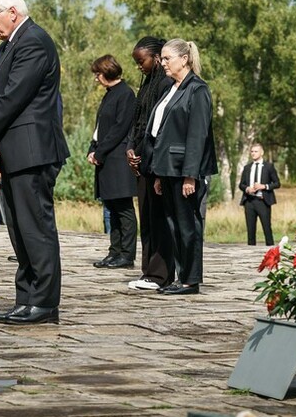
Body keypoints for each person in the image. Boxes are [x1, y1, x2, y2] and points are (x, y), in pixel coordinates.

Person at [0, 0, 70, 325]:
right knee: (18, 229)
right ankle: (26, 298)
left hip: (34, 149)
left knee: (36, 228)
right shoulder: (9, 45)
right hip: (15, 149)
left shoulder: (33, 40)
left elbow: (14, 97)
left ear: (11, 12)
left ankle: (44, 303)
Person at [144, 39, 217, 296]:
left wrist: (190, 175)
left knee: (188, 226)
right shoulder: (171, 89)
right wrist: (157, 173)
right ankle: (179, 276)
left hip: (184, 169)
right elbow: (160, 130)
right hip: (166, 168)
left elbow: (197, 136)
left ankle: (190, 280)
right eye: (162, 59)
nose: (162, 63)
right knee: (173, 225)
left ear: (183, 59)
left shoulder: (197, 90)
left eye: (167, 58)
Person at [125, 36, 175, 291]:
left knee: (159, 219)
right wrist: (131, 149)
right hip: (142, 160)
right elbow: (138, 124)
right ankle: (148, 272)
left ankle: (161, 274)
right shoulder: (146, 86)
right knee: (146, 218)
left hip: (157, 161)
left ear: (156, 58)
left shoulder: (166, 84)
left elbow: (161, 128)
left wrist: (147, 153)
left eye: (141, 61)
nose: (138, 66)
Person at [87, 54, 138, 269]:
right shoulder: (109, 95)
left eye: (98, 74)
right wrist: (93, 148)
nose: (96, 78)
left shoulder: (125, 94)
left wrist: (100, 153)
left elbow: (119, 128)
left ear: (107, 72)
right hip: (107, 159)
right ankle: (114, 251)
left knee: (123, 209)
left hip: (117, 160)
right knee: (112, 208)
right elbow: (101, 127)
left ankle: (126, 254)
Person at [238, 143, 281, 247]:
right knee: (250, 229)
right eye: (252, 151)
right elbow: (241, 184)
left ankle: (270, 251)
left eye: (256, 151)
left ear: (262, 153)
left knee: (267, 227)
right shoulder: (247, 167)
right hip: (249, 202)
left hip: (263, 201)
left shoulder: (268, 167)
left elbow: (277, 183)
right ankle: (250, 253)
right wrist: (247, 189)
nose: (253, 153)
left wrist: (264, 186)